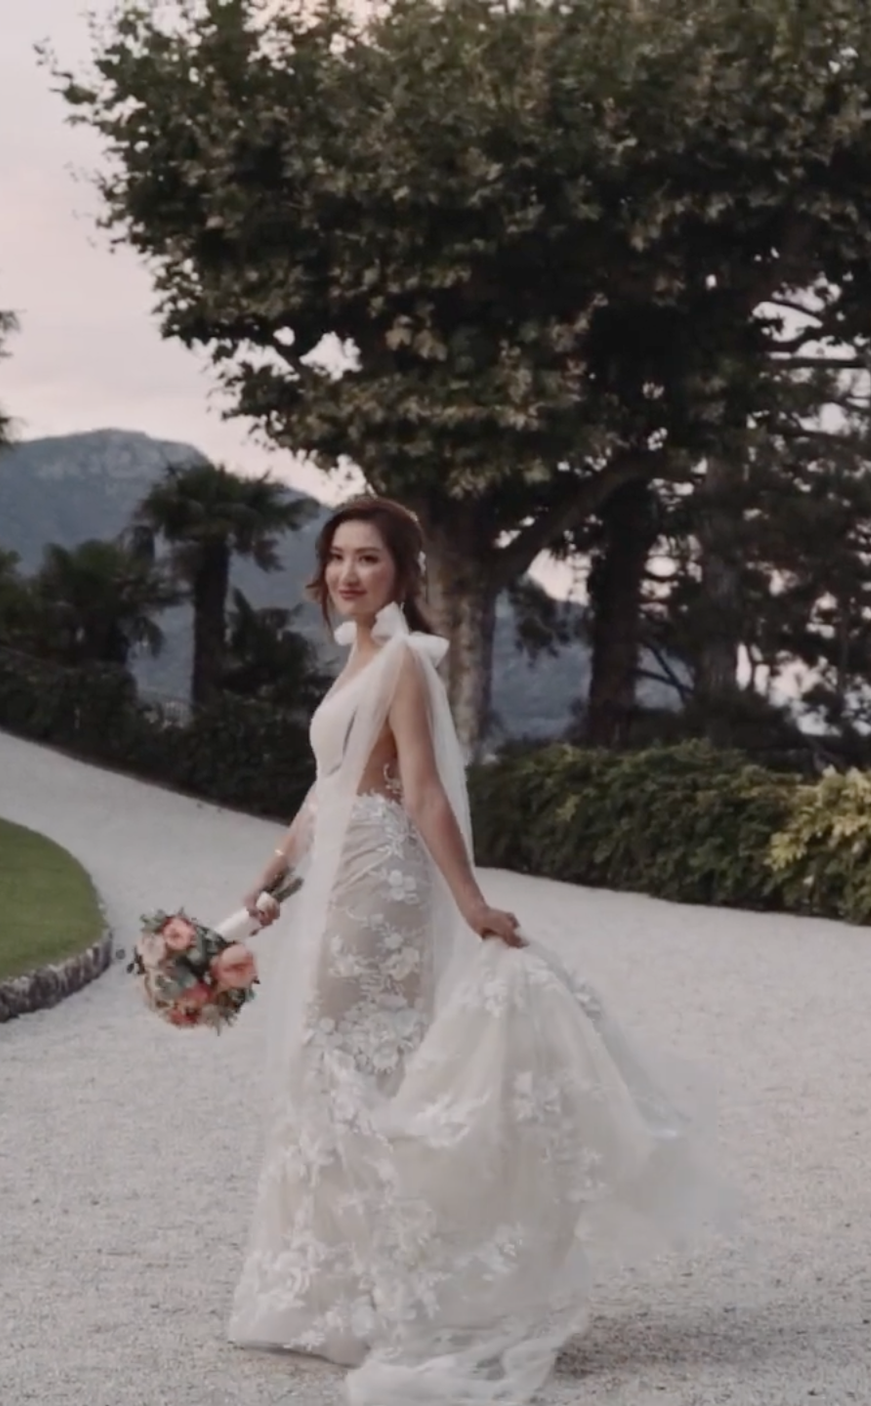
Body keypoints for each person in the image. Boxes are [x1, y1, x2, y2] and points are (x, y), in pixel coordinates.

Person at [226, 496, 731, 1405]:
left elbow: (421, 795)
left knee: (354, 1068)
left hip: (380, 886)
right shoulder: (358, 663)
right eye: (337, 557)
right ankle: (328, 1293)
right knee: (325, 1069)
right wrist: (268, 880)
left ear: (404, 575)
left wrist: (470, 904)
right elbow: (324, 790)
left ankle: (403, 1294)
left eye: (368, 560)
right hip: (337, 874)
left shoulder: (407, 670)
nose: (348, 573)